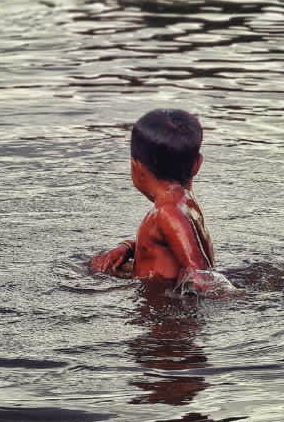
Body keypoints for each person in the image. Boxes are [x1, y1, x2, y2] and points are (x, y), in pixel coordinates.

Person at [89, 109, 236, 294]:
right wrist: (127, 247)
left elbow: (201, 276)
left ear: (136, 166)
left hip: (164, 319)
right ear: (197, 164)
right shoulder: (185, 203)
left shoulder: (167, 211)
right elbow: (169, 246)